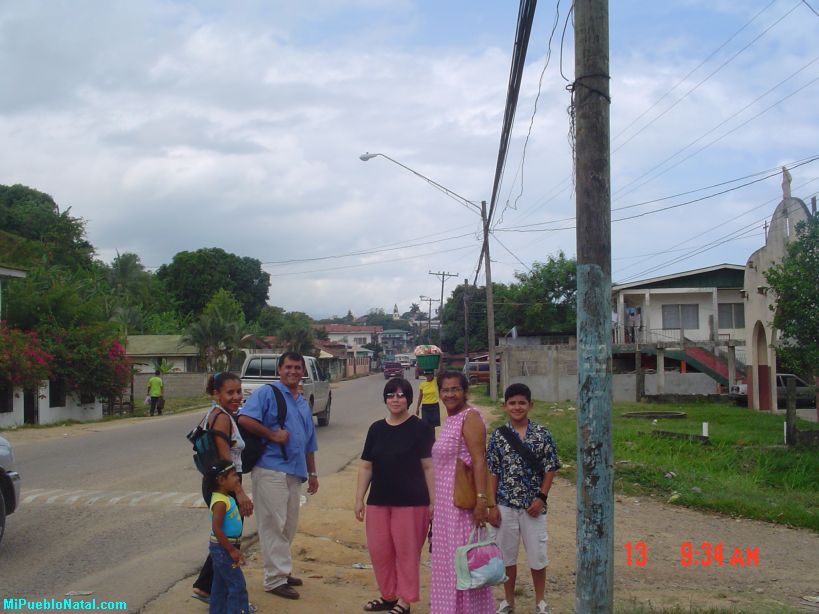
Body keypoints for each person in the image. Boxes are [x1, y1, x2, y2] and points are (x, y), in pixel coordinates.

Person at [237, 351, 319, 600]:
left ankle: (282, 571)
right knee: (273, 525)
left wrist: (313, 472)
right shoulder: (267, 393)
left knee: (289, 525)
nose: (293, 371)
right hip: (270, 469)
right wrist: (272, 435)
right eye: (288, 367)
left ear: (303, 371)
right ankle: (274, 580)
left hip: (295, 473)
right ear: (279, 369)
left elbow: (309, 442)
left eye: (297, 368)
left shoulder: (302, 402)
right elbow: (244, 418)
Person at [355, 378, 435, 614]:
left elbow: (429, 467)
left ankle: (405, 600)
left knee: (407, 554)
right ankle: (388, 595)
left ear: (409, 399)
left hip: (412, 503)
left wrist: (433, 501)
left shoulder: (420, 428)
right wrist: (359, 498)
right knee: (380, 551)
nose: (396, 399)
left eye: (401, 395)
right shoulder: (376, 429)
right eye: (391, 395)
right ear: (386, 399)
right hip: (379, 501)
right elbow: (366, 466)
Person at [487, 383, 561, 614]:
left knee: (538, 556)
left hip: (534, 507)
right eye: (512, 403)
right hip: (505, 504)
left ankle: (540, 602)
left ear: (530, 405)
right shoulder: (499, 436)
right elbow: (493, 472)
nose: (517, 407)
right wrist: (491, 505)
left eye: (522, 403)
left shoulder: (542, 434)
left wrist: (541, 497)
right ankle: (509, 601)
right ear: (505, 406)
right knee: (506, 555)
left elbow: (550, 468)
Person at [429, 371, 494, 614]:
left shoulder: (471, 416)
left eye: (455, 389)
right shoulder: (451, 420)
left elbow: (479, 461)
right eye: (445, 390)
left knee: (465, 566)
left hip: (462, 510)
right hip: (446, 510)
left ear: (465, 391)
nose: (450, 394)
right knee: (448, 566)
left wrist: (482, 501)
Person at [192, 372, 254, 604]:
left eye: (239, 391)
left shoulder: (219, 413)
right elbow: (226, 461)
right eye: (230, 392)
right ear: (217, 393)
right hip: (225, 484)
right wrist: (239, 492)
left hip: (221, 483)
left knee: (224, 538)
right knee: (227, 541)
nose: (236, 396)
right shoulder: (222, 418)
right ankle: (226, 595)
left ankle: (206, 588)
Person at [205, 459, 250, 614]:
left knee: (220, 585)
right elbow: (217, 529)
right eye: (233, 475)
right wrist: (231, 550)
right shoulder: (220, 502)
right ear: (221, 480)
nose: (237, 478)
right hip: (223, 550)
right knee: (237, 585)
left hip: (224, 548)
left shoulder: (227, 498)